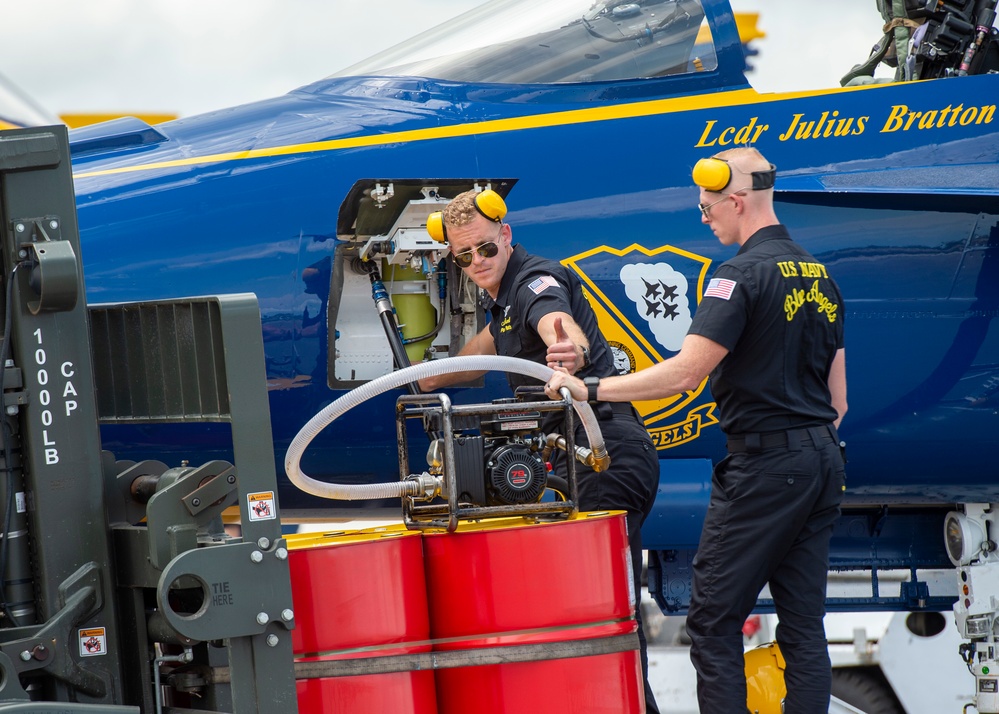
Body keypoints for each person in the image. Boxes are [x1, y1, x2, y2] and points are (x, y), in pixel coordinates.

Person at [545, 147, 848, 713]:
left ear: (738, 200)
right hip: (822, 460)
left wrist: (591, 389)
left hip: (764, 466)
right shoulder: (819, 275)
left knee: (712, 621)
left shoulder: (738, 277)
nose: (703, 217)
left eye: (708, 206)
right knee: (804, 625)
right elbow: (839, 401)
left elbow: (685, 374)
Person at [420, 188, 662, 714]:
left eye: (485, 249)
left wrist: (568, 350)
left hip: (604, 455)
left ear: (506, 235)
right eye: (463, 256)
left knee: (601, 615)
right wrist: (418, 378)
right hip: (578, 460)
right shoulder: (503, 301)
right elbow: (478, 357)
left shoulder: (532, 283)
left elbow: (557, 323)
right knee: (597, 613)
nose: (476, 263)